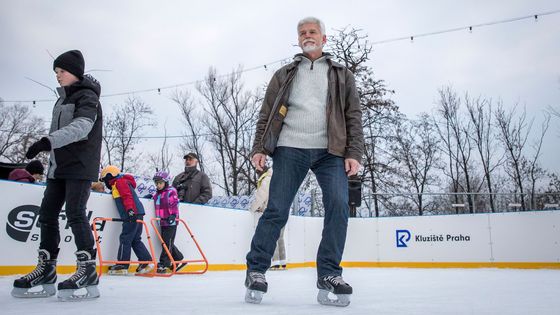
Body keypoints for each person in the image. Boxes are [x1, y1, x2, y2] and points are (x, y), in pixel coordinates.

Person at [244, 17, 364, 307]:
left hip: (330, 151)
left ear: (324, 38)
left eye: (313, 32)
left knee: (338, 206)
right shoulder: (284, 74)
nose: (307, 36)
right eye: (302, 33)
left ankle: (330, 274)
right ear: (298, 39)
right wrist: (259, 147)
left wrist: (354, 153)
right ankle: (257, 270)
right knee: (276, 210)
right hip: (290, 147)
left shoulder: (341, 75)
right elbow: (266, 115)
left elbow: (353, 116)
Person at [11, 50, 102, 301]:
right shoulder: (61, 100)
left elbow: (83, 127)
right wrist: (49, 154)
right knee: (48, 215)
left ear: (75, 72)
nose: (58, 76)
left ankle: (87, 270)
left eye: (62, 72)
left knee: (75, 213)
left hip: (80, 165)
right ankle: (46, 269)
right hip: (58, 167)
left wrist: (46, 142)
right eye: (56, 73)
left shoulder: (88, 96)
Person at [100, 165, 154, 275]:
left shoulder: (119, 182)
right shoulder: (120, 183)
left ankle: (122, 264)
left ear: (110, 177)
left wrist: (130, 210)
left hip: (132, 213)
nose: (105, 183)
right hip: (137, 213)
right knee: (135, 239)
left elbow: (126, 196)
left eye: (105, 180)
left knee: (125, 238)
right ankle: (146, 262)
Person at [248, 166, 286, 270]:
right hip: (284, 210)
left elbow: (261, 196)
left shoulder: (266, 179)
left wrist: (252, 208)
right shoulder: (278, 178)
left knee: (271, 236)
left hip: (273, 210)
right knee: (280, 237)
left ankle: (275, 262)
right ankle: (283, 262)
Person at [152, 171, 186, 274]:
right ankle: (178, 257)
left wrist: (173, 215)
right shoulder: (158, 194)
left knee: (167, 243)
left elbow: (175, 204)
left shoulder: (171, 191)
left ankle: (164, 264)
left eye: (160, 183)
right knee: (166, 242)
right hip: (162, 222)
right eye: (156, 183)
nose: (158, 185)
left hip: (171, 222)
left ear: (166, 182)